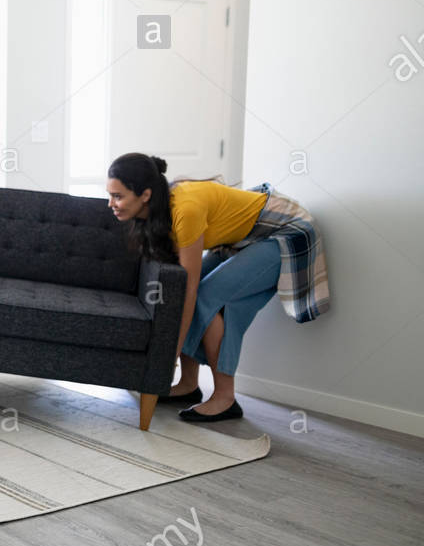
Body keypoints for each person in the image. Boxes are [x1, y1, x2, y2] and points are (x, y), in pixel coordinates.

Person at [106, 153, 329, 423]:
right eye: (110, 195)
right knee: (196, 294)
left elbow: (188, 293)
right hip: (246, 235)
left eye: (118, 196)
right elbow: (178, 288)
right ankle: (189, 384)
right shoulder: (160, 208)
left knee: (205, 297)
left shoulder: (184, 211)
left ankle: (225, 398)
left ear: (145, 194)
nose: (111, 204)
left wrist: (170, 355)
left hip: (285, 230)